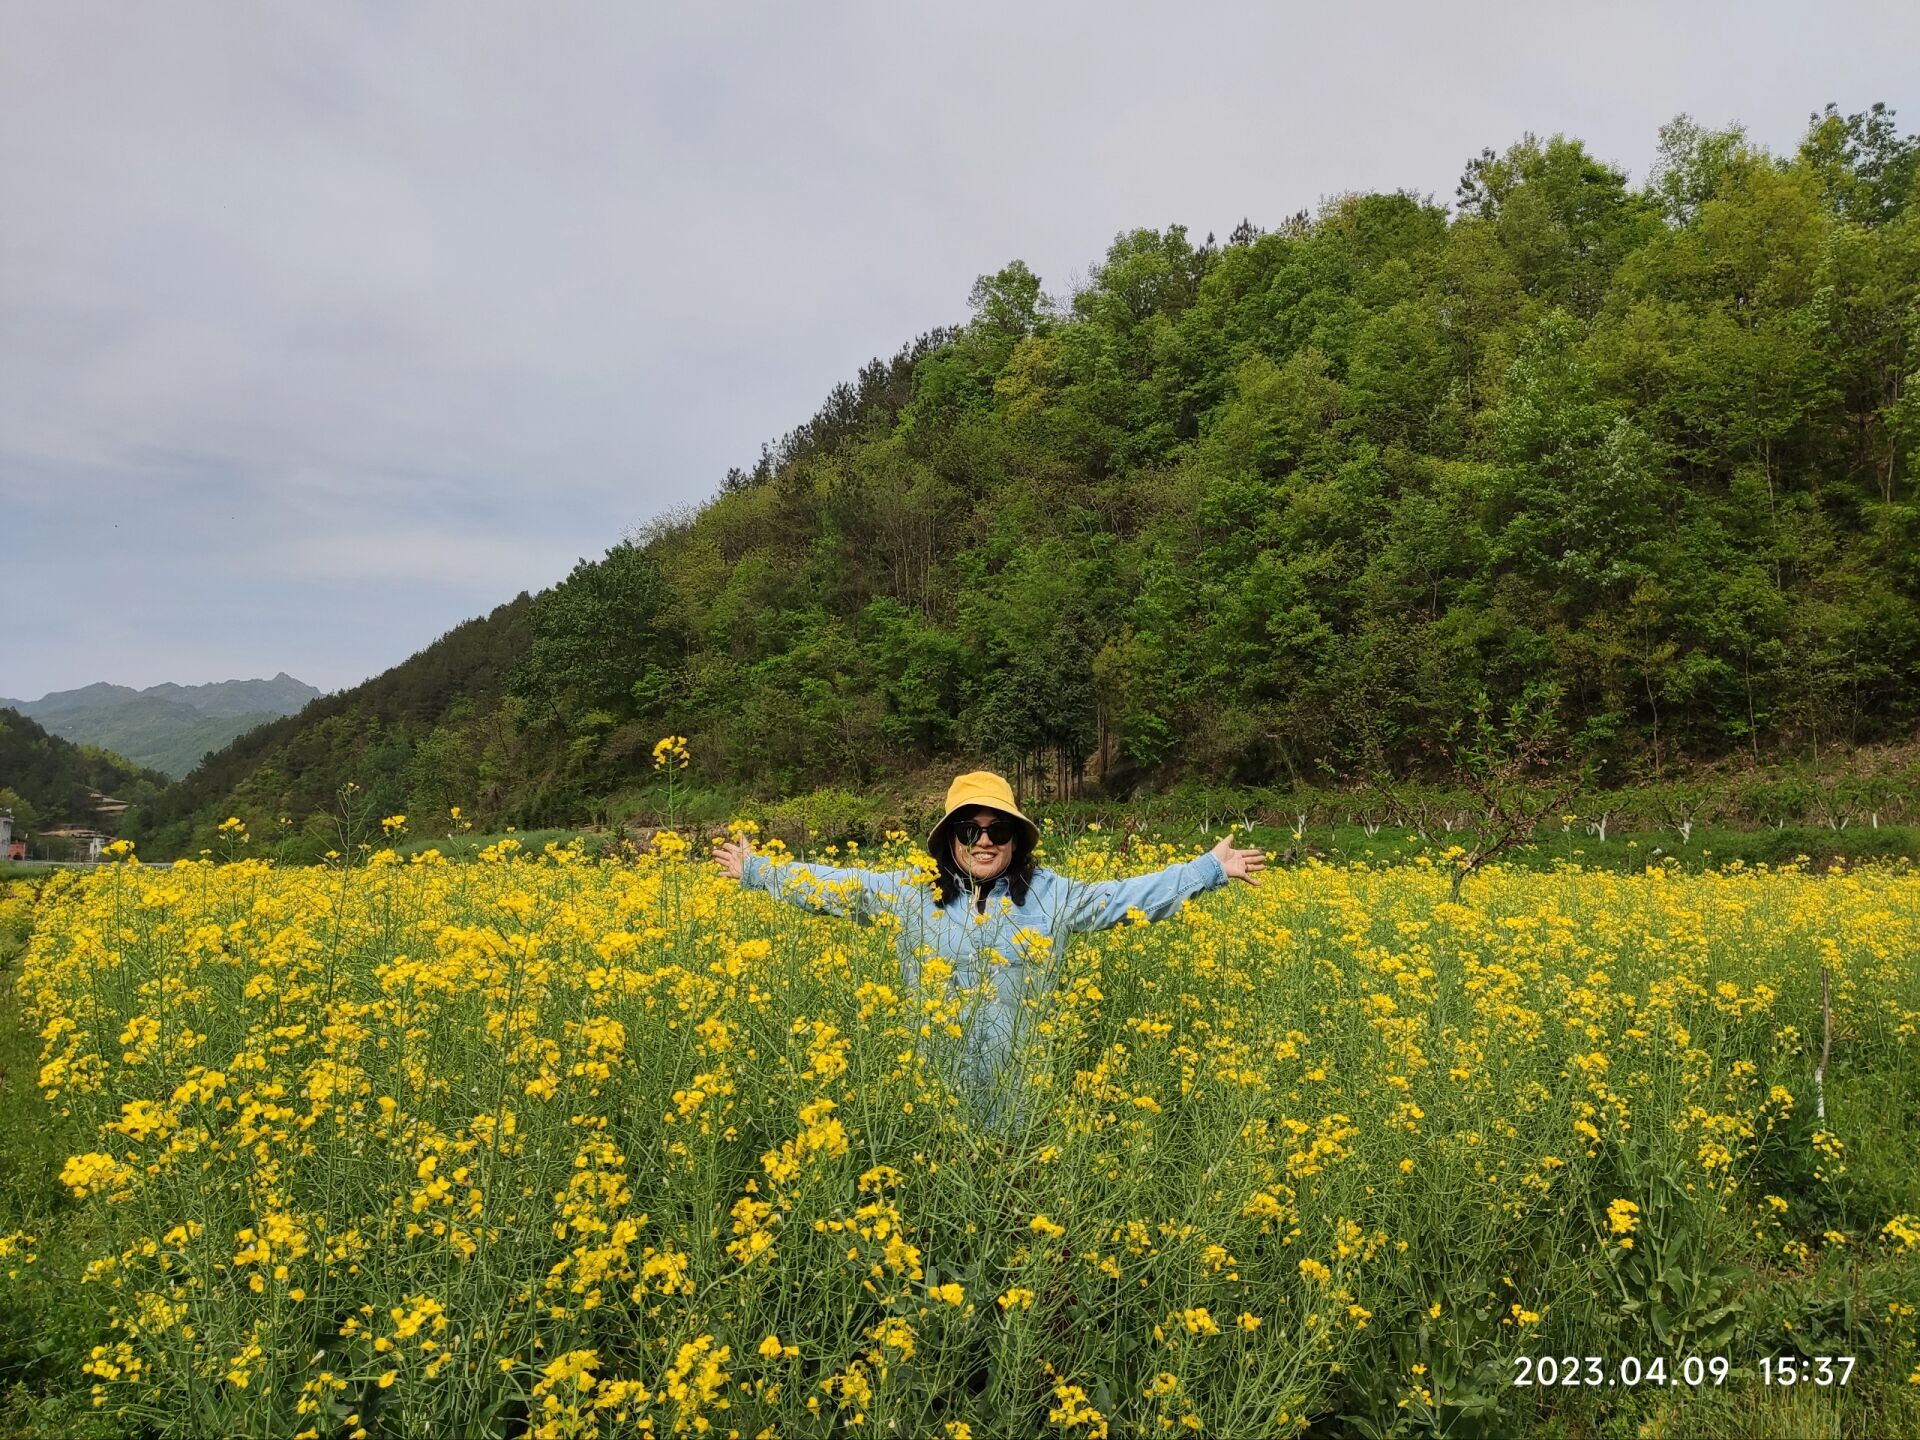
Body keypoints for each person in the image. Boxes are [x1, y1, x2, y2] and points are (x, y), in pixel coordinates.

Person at [712, 770, 1265, 1134]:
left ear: (1016, 838)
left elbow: (1123, 899)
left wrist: (1208, 870)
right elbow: (842, 888)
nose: (983, 841)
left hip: (1022, 1113)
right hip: (931, 1106)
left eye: (997, 829)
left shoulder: (1053, 896)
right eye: (968, 829)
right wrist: (761, 871)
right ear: (948, 837)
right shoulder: (914, 891)